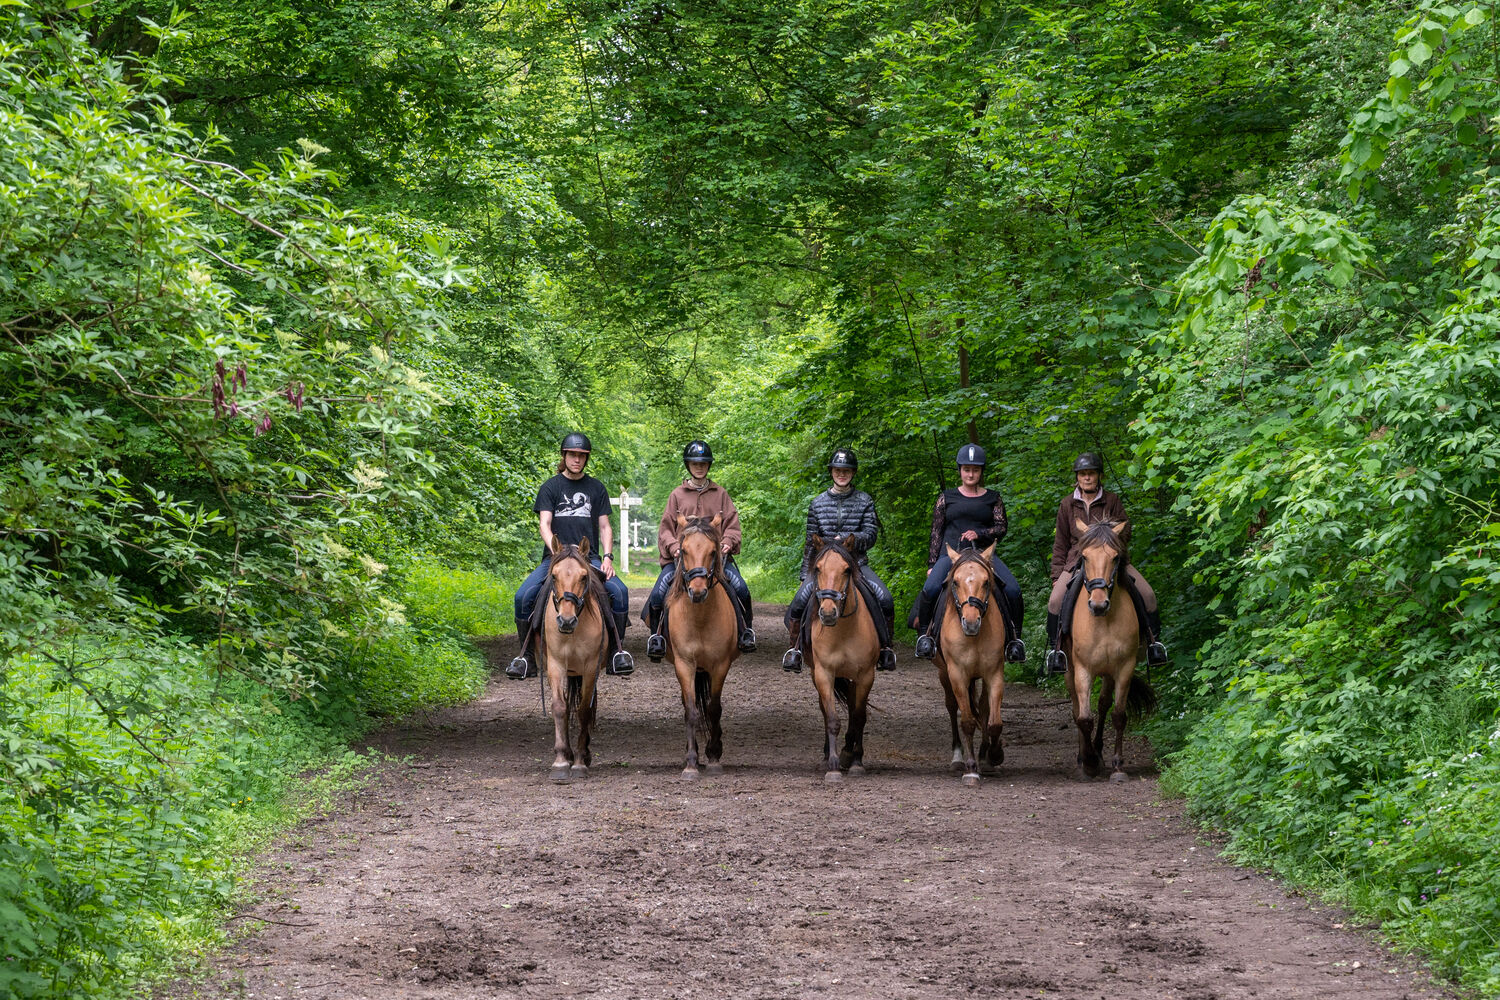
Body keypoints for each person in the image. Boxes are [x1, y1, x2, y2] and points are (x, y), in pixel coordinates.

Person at [507, 432, 633, 679]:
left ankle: (617, 653)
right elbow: (545, 524)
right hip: (554, 558)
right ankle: (527, 658)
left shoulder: (596, 488)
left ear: (586, 459)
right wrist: (556, 550)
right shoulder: (550, 487)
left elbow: (605, 527)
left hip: (589, 558)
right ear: (564, 456)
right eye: (572, 455)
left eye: (581, 456)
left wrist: (608, 558)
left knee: (620, 593)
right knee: (523, 596)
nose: (577, 459)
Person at [1043, 452, 1167, 674]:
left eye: (1091, 473)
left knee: (1148, 595)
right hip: (1076, 560)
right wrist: (1055, 576)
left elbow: (1126, 529)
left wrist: (1108, 535)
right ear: (1077, 477)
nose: (1087, 478)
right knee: (1054, 602)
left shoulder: (1112, 500)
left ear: (1099, 476)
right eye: (1082, 474)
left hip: (1111, 559)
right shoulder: (1067, 505)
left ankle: (1153, 645)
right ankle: (1057, 652)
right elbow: (1060, 543)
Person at [781, 448, 897, 672]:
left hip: (855, 566)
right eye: (837, 470)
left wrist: (846, 539)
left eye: (846, 471)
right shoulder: (817, 503)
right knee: (797, 603)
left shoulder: (865, 501)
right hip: (823, 568)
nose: (841, 474)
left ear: (853, 473)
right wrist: (806, 574)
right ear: (831, 472)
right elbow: (810, 542)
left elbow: (871, 535)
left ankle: (885, 649)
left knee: (885, 599)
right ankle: (794, 650)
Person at [910, 443, 1026, 662]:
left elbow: (1001, 528)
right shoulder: (947, 497)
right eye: (966, 469)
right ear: (960, 471)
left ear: (981, 472)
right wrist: (932, 563)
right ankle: (925, 637)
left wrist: (980, 533)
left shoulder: (993, 497)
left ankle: (1014, 641)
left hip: (983, 556)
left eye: (975, 469)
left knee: (1013, 590)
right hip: (951, 556)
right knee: (930, 588)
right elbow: (936, 531)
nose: (970, 473)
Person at [643, 441, 757, 660]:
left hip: (715, 561)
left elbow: (733, 526)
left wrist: (728, 542)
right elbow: (665, 530)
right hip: (681, 561)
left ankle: (746, 632)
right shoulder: (676, 495)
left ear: (708, 466)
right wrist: (674, 547)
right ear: (688, 465)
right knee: (658, 594)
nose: (699, 467)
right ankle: (656, 638)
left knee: (741, 589)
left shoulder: (721, 494)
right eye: (695, 463)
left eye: (703, 463)